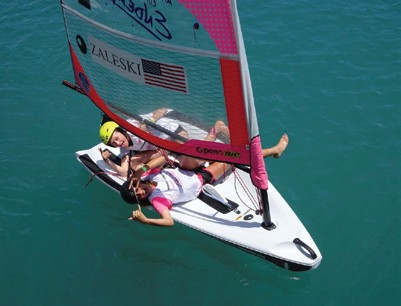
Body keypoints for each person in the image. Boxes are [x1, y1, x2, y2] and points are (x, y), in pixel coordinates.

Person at [120, 133, 289, 227]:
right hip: (201, 178)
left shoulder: (147, 176)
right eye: (140, 196)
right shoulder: (157, 200)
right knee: (235, 158)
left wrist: (140, 171)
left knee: (189, 150)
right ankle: (274, 150)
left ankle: (214, 136)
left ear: (137, 183)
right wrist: (146, 220)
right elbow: (169, 221)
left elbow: (165, 155)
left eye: (138, 188)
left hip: (185, 168)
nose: (142, 192)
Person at [100, 114, 231, 177]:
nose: (118, 143)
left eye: (117, 138)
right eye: (113, 143)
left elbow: (162, 109)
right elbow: (124, 171)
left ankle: (217, 129)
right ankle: (156, 171)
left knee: (194, 159)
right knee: (133, 163)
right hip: (160, 146)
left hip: (173, 133)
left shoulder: (133, 124)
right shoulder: (124, 148)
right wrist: (108, 161)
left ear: (122, 131)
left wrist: (148, 122)